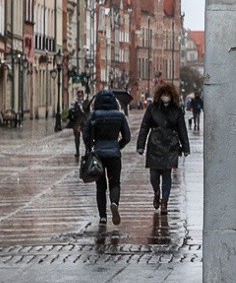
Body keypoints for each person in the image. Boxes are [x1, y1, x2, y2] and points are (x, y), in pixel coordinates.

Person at [136, 82, 190, 215]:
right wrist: (140, 145)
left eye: (168, 95)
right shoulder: (152, 108)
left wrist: (185, 147)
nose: (166, 97)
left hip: (170, 145)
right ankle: (156, 192)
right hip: (155, 143)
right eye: (164, 94)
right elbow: (144, 127)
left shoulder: (176, 110)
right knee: (154, 175)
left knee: (167, 175)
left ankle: (164, 202)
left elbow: (182, 129)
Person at [82, 89, 131, 226]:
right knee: (115, 183)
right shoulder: (120, 116)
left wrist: (90, 147)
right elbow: (127, 137)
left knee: (100, 186)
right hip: (114, 154)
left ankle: (103, 217)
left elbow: (86, 135)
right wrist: (117, 146)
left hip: (98, 154)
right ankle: (114, 203)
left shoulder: (94, 115)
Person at [66, 89, 89, 160]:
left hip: (84, 122)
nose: (80, 96)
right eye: (78, 95)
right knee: (76, 138)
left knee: (85, 137)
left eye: (81, 94)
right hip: (76, 122)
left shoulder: (86, 102)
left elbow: (88, 111)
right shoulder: (74, 102)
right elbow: (71, 112)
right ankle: (77, 151)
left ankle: (86, 151)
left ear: (83, 95)